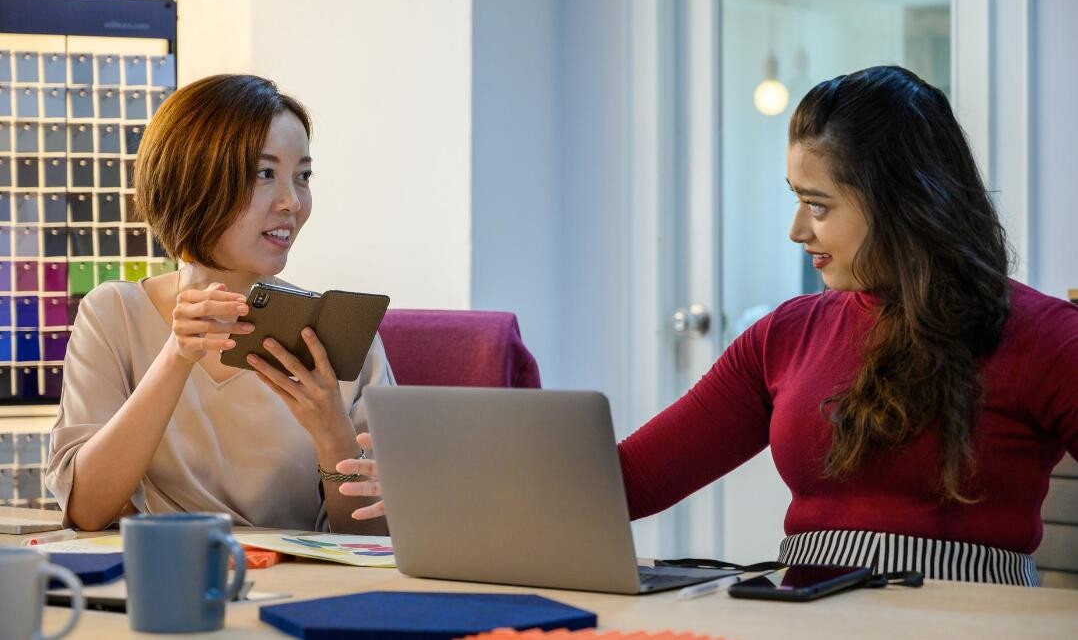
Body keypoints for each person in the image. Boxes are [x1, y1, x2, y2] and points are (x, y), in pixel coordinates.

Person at [335, 66, 1078, 585]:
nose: (796, 230)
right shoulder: (784, 335)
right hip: (807, 610)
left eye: (818, 205)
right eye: (795, 198)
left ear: (905, 204)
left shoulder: (1046, 338)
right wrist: (446, 485)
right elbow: (627, 481)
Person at [46, 74, 392, 533]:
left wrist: (332, 433)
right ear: (192, 181)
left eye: (303, 176)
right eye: (264, 174)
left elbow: (374, 541)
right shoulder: (114, 314)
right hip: (171, 581)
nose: (292, 202)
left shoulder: (342, 332)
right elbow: (87, 510)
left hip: (305, 592)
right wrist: (176, 356)